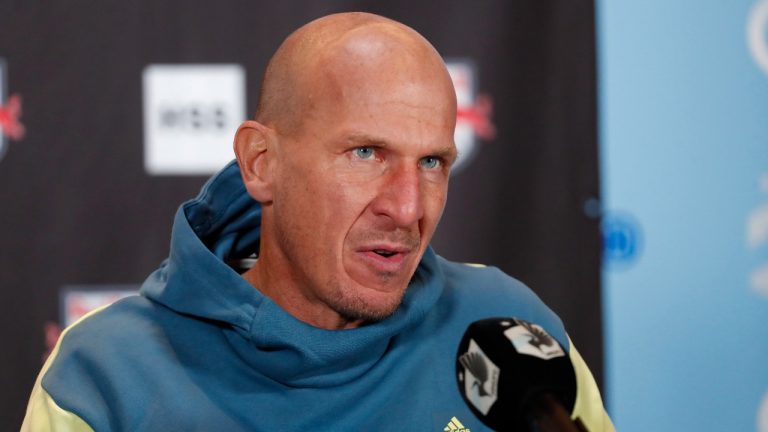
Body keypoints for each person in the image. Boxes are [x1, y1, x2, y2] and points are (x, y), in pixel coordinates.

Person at [22, 12, 613, 431]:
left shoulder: (509, 329)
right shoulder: (104, 373)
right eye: (366, 154)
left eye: (431, 161)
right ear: (261, 163)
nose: (408, 208)